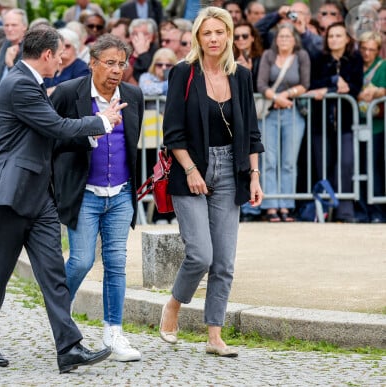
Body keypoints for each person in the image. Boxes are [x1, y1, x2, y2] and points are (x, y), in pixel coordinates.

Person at [0, 26, 126, 373]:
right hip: (9, 195)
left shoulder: (31, 84)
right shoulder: (20, 84)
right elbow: (56, 127)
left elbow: (50, 136)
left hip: (39, 197)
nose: (61, 59)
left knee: (54, 275)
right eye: (58, 54)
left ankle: (69, 347)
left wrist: (87, 137)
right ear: (45, 55)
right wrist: (100, 122)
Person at [159, 7, 264, 357]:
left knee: (224, 262)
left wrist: (254, 175)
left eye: (220, 32)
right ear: (197, 37)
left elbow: (251, 131)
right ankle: (174, 305)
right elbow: (172, 132)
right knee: (201, 254)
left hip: (231, 168)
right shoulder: (183, 73)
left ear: (230, 35)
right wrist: (190, 169)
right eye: (208, 33)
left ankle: (214, 334)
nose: (214, 38)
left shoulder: (242, 76)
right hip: (191, 168)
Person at [51, 34, 144, 362]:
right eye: (110, 63)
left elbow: (131, 145)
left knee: (116, 263)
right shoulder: (69, 93)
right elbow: (54, 139)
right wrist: (92, 132)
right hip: (84, 194)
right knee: (81, 260)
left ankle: (113, 332)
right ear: (92, 63)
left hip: (119, 194)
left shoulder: (133, 95)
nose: (117, 70)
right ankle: (62, 319)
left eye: (122, 63)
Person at [308, 22, 363, 222]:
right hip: (321, 123)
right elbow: (311, 84)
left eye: (339, 36)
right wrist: (332, 82)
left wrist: (328, 91)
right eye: (331, 36)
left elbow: (354, 87)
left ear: (347, 39)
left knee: (346, 163)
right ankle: (322, 211)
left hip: (346, 122)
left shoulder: (355, 59)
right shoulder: (318, 58)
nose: (334, 40)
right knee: (322, 165)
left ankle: (344, 211)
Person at [257, 24, 310, 222]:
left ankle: (286, 205)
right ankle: (271, 205)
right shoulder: (268, 56)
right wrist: (276, 98)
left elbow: (305, 84)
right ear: (276, 39)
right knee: (269, 161)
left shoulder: (302, 56)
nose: (284, 40)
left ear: (294, 39)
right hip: (270, 112)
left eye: (288, 36)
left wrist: (286, 95)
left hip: (293, 112)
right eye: (281, 36)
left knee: (288, 162)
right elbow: (261, 84)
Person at [355, 31, 386, 222]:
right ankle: (363, 210)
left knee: (375, 169)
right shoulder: (355, 66)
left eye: (371, 49)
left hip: (376, 125)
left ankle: (377, 211)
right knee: (360, 169)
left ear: (378, 50)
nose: (367, 53)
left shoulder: (382, 67)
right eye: (364, 48)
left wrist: (379, 91)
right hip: (356, 123)